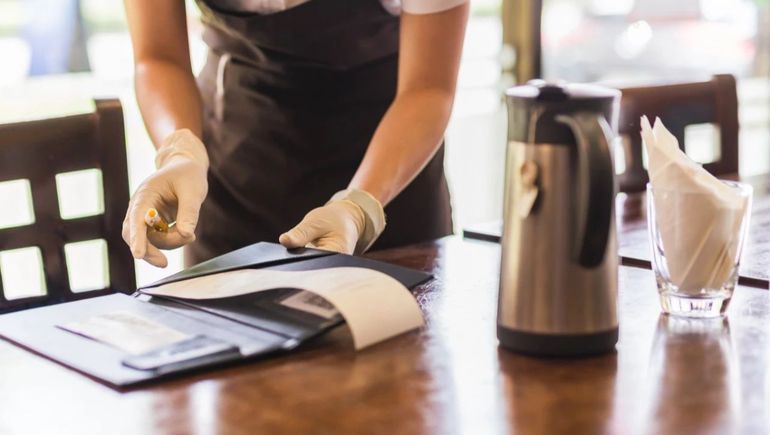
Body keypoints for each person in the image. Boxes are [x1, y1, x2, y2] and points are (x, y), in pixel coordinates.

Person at [122, 0, 469, 268]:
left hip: (388, 178)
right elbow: (159, 56)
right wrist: (180, 151)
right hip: (233, 175)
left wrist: (358, 207)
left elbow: (429, 88)